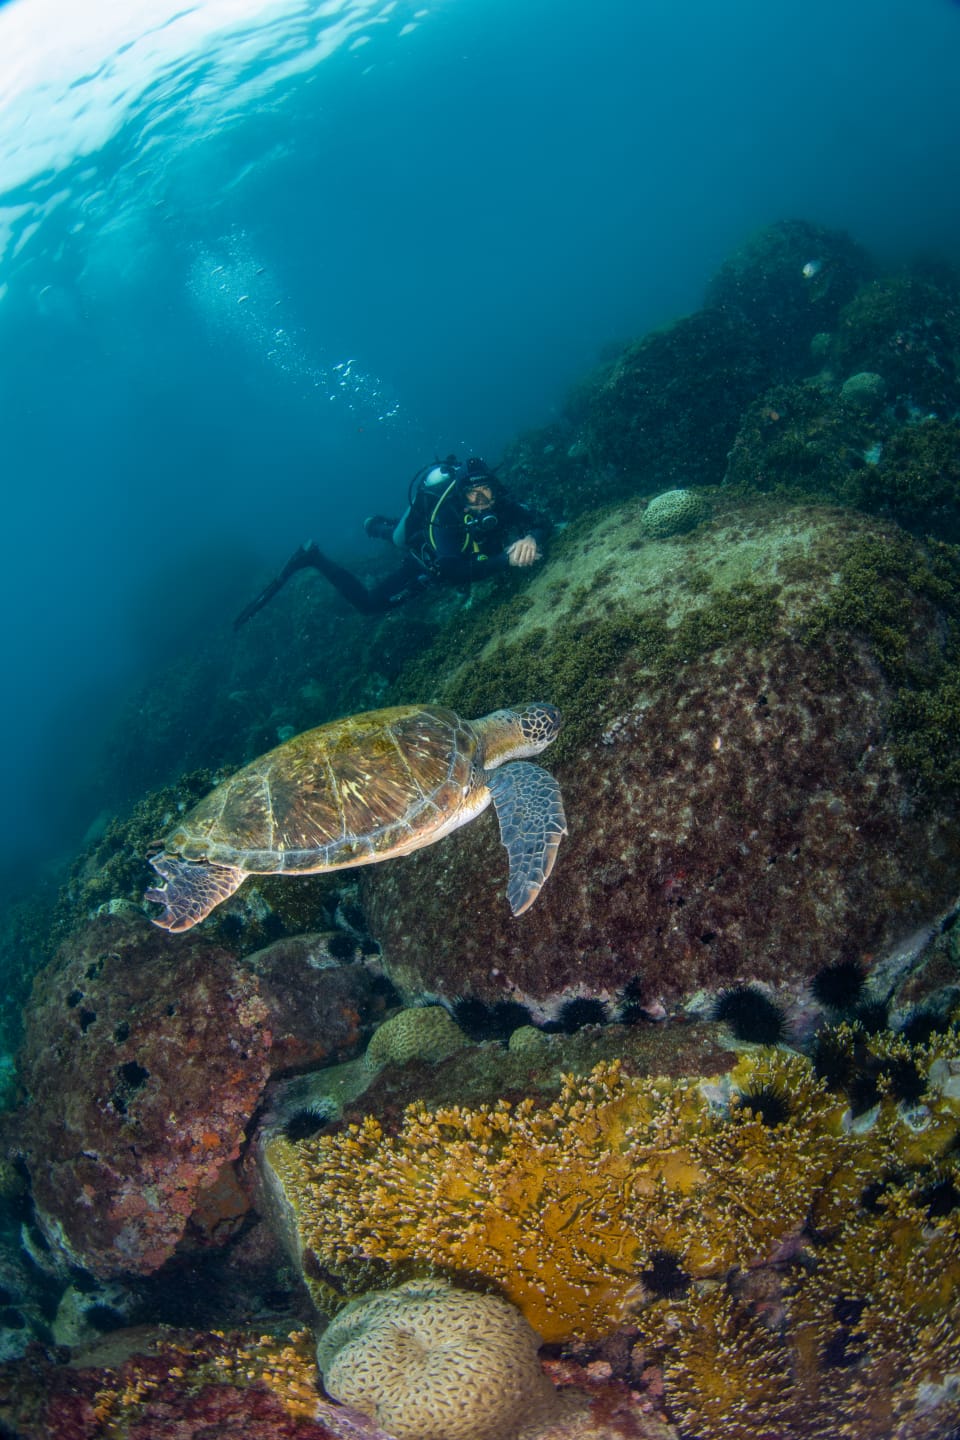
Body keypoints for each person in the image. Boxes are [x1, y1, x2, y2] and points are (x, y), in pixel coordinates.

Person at [233, 455, 550, 627]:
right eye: (472, 495)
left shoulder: (501, 503)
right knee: (371, 602)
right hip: (428, 553)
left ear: (495, 489)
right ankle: (314, 557)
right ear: (460, 497)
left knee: (400, 535)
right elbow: (452, 570)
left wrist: (532, 538)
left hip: (460, 548)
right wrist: (505, 560)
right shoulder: (446, 515)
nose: (482, 501)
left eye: (487, 493)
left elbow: (540, 521)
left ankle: (378, 526)